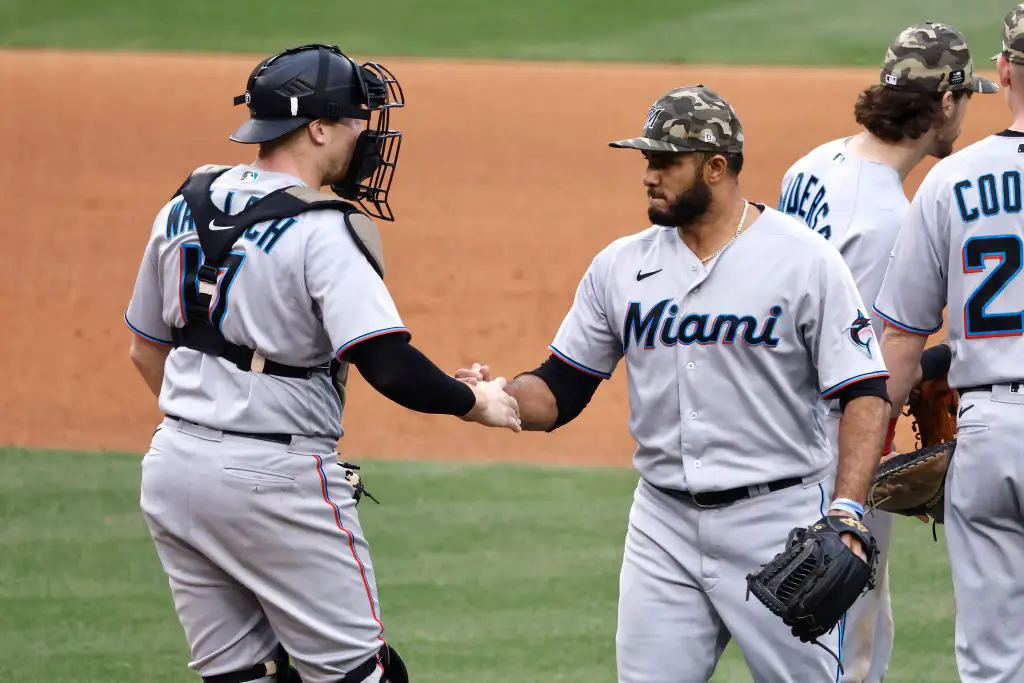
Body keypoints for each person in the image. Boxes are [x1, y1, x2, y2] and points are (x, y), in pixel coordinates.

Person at [458, 84, 890, 682]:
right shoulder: (621, 266)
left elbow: (864, 389)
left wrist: (845, 510)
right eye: (647, 159)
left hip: (781, 521)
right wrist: (496, 400)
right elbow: (560, 388)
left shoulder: (804, 261)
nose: (648, 175)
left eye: (666, 161)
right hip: (663, 525)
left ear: (716, 167)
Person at [123, 43, 520, 683]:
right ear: (317, 128)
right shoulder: (323, 228)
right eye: (359, 120)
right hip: (275, 482)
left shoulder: (184, 204)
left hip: (172, 470)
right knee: (362, 676)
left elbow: (147, 348)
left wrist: (214, 426)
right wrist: (475, 402)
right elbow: (386, 364)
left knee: (242, 677)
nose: (368, 135)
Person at [777, 21, 997, 683]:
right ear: (946, 103)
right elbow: (866, 367)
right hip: (833, 454)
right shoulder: (889, 220)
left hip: (772, 423)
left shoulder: (813, 165)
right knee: (850, 650)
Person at [875, 6, 1024, 682]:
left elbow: (902, 339)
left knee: (993, 665)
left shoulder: (951, 181)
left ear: (1004, 71)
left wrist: (853, 479)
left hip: (989, 430)